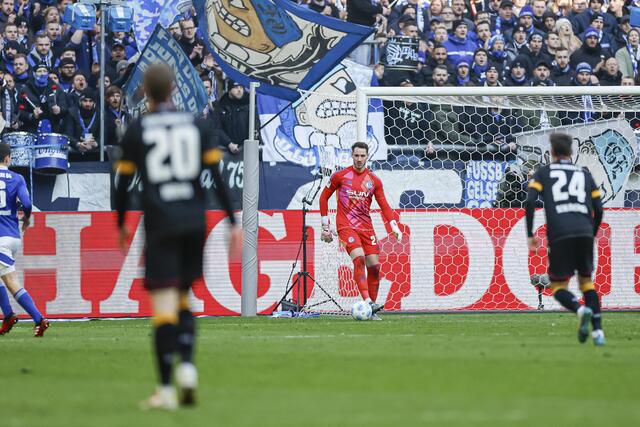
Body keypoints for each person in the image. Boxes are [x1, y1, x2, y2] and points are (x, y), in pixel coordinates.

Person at [115, 63, 242, 410]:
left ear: (146, 92)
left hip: (160, 222)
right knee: (184, 299)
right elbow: (217, 177)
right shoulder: (195, 125)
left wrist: (121, 222)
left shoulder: (137, 129)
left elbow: (123, 183)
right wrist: (233, 222)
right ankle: (187, 368)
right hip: (194, 221)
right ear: (173, 89)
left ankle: (165, 390)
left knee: (164, 307)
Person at [525, 133, 605, 346]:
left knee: (558, 286)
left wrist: (530, 234)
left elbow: (530, 201)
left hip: (560, 233)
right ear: (571, 152)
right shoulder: (584, 174)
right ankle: (598, 332)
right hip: (585, 231)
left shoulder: (544, 172)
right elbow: (599, 208)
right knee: (587, 283)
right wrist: (592, 232)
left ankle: (579, 310)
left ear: (552, 152)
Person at [319, 142, 402, 318]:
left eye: (362, 156)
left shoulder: (374, 181)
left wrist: (394, 225)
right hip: (346, 225)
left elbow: (384, 205)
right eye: (356, 155)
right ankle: (368, 301)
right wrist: (325, 225)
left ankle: (371, 311)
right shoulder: (340, 176)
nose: (359, 159)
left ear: (367, 156)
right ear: (352, 155)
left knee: (375, 267)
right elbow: (323, 198)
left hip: (366, 227)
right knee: (359, 259)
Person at [0, 143, 49, 337]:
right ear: (8, 158)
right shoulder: (17, 178)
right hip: (13, 236)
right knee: (6, 278)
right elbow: (27, 203)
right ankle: (8, 316)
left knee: (11, 282)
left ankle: (38, 318)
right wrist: (27, 218)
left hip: (0, 239)